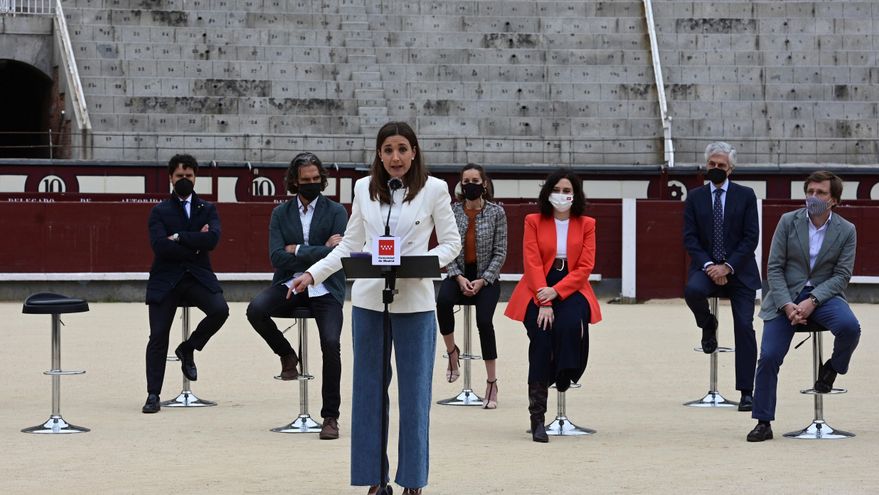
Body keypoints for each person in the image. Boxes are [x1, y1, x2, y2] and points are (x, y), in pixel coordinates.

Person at [291, 122, 461, 494]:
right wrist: (313, 273)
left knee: (414, 397)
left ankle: (413, 481)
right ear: (378, 154)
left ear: (414, 152)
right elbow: (350, 244)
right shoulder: (363, 189)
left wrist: (422, 262)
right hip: (370, 302)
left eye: (402, 149)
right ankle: (374, 479)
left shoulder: (435, 190)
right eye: (388, 150)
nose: (395, 157)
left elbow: (451, 244)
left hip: (415, 302)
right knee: (368, 394)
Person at [747, 171, 861, 442]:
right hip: (784, 296)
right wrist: (788, 304)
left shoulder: (847, 230)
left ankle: (833, 367)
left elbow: (842, 276)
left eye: (820, 193)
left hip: (823, 296)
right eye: (810, 192)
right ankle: (763, 422)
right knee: (769, 356)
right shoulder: (788, 221)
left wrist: (812, 301)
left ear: (833, 199)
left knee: (849, 327)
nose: (813, 197)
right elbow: (774, 268)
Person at [245, 152, 347, 439]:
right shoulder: (281, 213)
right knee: (255, 310)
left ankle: (330, 417)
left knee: (331, 343)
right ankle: (288, 355)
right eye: (306, 180)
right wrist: (319, 248)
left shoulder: (337, 211)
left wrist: (298, 250)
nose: (312, 184)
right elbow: (277, 257)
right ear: (294, 182)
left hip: (325, 286)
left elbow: (339, 253)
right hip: (290, 284)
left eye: (316, 179)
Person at [504, 169, 602, 443]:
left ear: (575, 195)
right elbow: (532, 261)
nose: (562, 195)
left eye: (567, 191)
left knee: (570, 325)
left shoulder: (587, 223)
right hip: (537, 285)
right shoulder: (533, 220)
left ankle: (564, 374)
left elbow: (585, 267)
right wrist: (543, 299)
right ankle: (537, 418)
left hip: (571, 285)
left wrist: (556, 293)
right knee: (542, 336)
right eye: (557, 190)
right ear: (548, 193)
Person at [143, 154, 229, 414]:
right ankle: (153, 394)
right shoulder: (159, 210)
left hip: (197, 277)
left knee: (220, 310)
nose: (184, 180)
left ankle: (188, 348)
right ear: (171, 178)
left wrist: (178, 237)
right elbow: (159, 246)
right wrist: (194, 243)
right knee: (158, 336)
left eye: (188, 176)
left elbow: (212, 240)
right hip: (166, 279)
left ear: (195, 178)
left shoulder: (208, 209)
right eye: (180, 176)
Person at [682, 142, 760, 411]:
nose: (716, 169)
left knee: (744, 326)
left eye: (721, 166)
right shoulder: (694, 197)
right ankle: (707, 324)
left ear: (731, 169)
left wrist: (726, 267)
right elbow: (690, 239)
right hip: (705, 267)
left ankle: (747, 391)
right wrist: (709, 266)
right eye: (712, 164)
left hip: (739, 271)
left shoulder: (746, 195)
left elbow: (751, 238)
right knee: (692, 291)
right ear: (706, 166)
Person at [435, 163, 507, 408]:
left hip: (486, 278)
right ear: (460, 185)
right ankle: (452, 353)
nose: (471, 185)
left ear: (484, 184)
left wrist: (483, 279)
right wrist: (458, 277)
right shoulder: (452, 211)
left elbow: (500, 251)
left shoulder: (497, 212)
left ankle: (491, 381)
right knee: (442, 302)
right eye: (466, 181)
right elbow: (447, 247)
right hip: (459, 276)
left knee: (484, 322)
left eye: (475, 180)